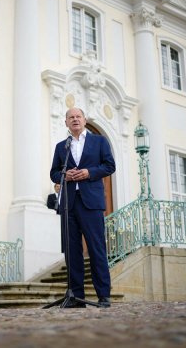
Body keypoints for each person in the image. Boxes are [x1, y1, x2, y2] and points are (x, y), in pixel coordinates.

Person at [50, 107, 115, 308]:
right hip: (69, 203)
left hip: (91, 203)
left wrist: (88, 172)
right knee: (72, 251)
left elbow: (110, 166)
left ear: (84, 120)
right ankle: (75, 296)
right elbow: (53, 173)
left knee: (97, 249)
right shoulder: (62, 146)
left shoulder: (99, 141)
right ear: (66, 123)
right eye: (71, 117)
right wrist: (64, 175)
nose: (75, 120)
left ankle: (103, 295)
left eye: (78, 117)